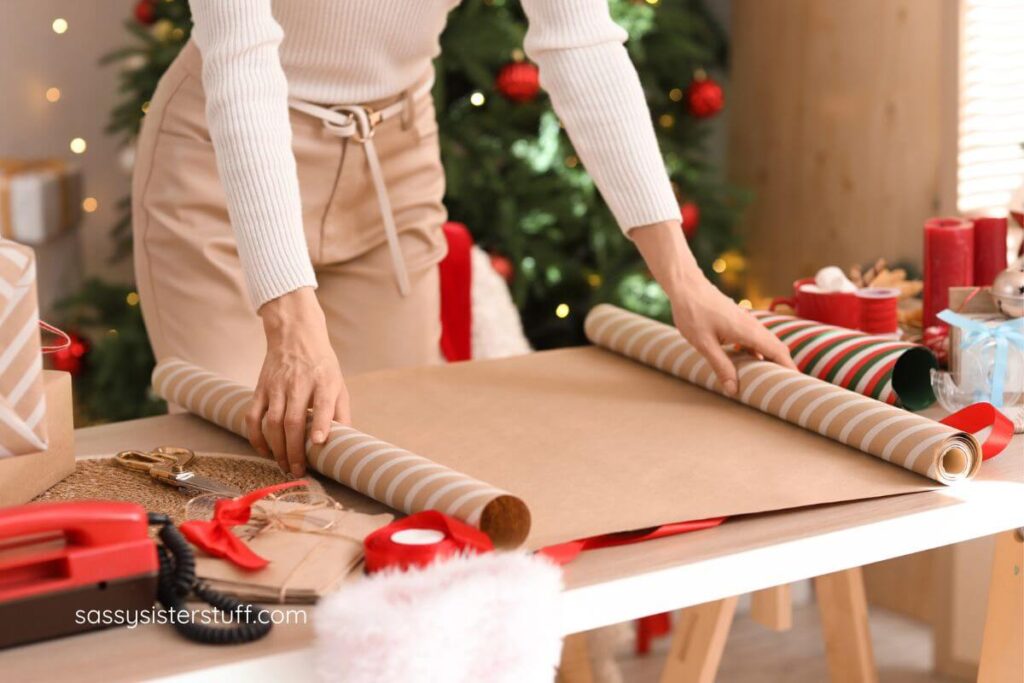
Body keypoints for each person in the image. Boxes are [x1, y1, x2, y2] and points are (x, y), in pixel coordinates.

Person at [132, 0, 795, 479]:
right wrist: (290, 319)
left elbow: (581, 43)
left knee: (384, 473)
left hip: (392, 159)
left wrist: (682, 276)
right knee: (225, 479)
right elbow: (241, 61)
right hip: (222, 166)